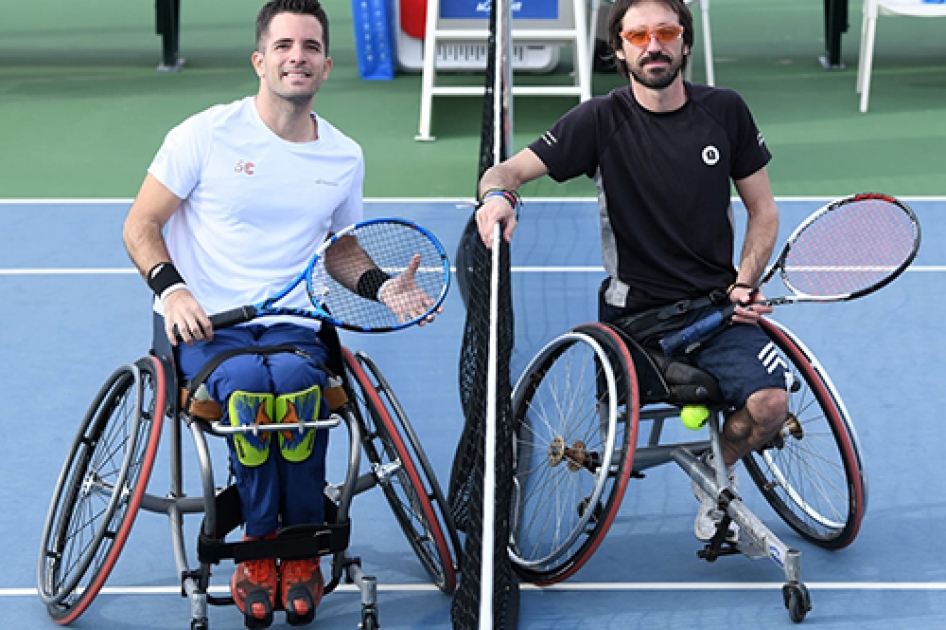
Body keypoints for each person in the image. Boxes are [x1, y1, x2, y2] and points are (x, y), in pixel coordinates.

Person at [122, 1, 431, 625]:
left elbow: (339, 247)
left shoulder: (342, 156)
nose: (298, 57)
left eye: (311, 47)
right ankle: (260, 550)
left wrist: (379, 286)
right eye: (285, 46)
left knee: (295, 390)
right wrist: (172, 289)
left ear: (325, 64)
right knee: (245, 394)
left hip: (293, 326)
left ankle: (304, 549)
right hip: (208, 323)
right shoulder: (204, 134)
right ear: (261, 60)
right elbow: (141, 223)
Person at [474, 0, 790, 544]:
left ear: (685, 42)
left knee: (771, 406)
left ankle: (717, 467)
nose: (653, 45)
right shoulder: (600, 120)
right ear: (618, 49)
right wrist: (498, 197)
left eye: (666, 32)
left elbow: (763, 213)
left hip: (717, 309)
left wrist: (744, 281)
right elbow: (507, 170)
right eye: (638, 35)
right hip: (634, 325)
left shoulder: (726, 111)